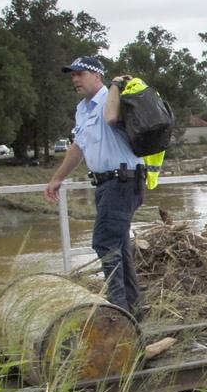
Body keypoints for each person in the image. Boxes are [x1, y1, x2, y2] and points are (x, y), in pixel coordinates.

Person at [45, 56, 146, 316]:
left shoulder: (114, 98)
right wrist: (58, 177)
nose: (75, 79)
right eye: (72, 75)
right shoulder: (82, 109)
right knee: (119, 247)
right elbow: (79, 146)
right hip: (106, 184)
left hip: (123, 181)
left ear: (97, 76)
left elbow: (112, 119)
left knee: (104, 242)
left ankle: (118, 312)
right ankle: (132, 310)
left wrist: (114, 86)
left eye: (80, 74)